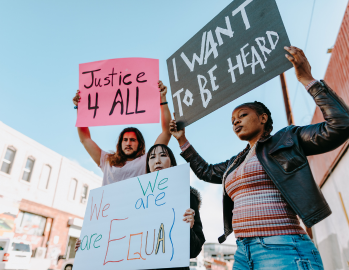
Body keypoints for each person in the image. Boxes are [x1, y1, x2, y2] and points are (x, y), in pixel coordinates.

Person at [169, 46, 349, 269]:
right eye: (232, 120)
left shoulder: (286, 139)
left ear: (263, 118)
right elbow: (205, 171)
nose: (235, 121)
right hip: (243, 253)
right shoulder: (236, 162)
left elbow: (339, 126)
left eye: (242, 115)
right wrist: (181, 140)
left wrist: (308, 80)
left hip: (283, 247)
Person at [75, 144, 206, 270]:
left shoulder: (185, 195)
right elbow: (116, 239)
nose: (157, 161)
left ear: (171, 163)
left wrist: (187, 229)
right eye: (152, 157)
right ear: (148, 165)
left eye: (163, 156)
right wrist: (87, 246)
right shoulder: (132, 197)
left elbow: (194, 251)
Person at [73, 80, 172, 186]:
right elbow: (85, 139)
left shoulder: (147, 160)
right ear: (120, 143)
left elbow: (166, 132)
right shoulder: (106, 160)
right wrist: (80, 108)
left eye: (132, 140)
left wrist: (162, 98)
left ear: (140, 144)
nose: (128, 143)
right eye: (125, 140)